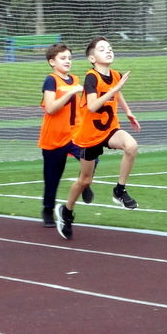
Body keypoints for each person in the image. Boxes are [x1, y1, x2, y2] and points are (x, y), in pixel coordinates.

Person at [56, 36, 141, 240]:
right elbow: (93, 106)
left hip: (110, 130)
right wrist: (114, 89)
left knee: (131, 146)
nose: (108, 51)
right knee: (85, 180)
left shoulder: (115, 75)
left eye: (110, 48)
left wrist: (128, 112)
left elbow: (118, 95)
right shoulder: (91, 77)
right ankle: (66, 211)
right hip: (89, 136)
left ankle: (119, 191)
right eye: (102, 49)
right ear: (92, 58)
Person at [37, 42, 95, 227]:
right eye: (63, 58)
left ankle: (84, 183)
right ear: (52, 62)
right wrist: (70, 92)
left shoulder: (76, 80)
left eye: (69, 58)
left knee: (92, 157)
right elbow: (51, 109)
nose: (68, 61)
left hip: (75, 134)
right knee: (52, 178)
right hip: (54, 137)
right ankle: (47, 210)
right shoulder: (51, 80)